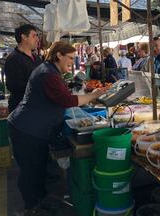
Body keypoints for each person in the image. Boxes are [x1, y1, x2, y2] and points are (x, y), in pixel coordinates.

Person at [8, 42, 105, 216]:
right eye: (70, 58)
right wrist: (94, 95)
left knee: (38, 169)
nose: (72, 62)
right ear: (59, 55)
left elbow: (61, 96)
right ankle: (31, 207)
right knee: (30, 171)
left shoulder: (49, 70)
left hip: (32, 128)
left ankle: (40, 199)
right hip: (28, 130)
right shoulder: (48, 74)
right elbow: (67, 101)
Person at [5, 24, 42, 112]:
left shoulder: (36, 57)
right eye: (34, 36)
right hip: (21, 109)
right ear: (24, 37)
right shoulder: (14, 59)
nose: (37, 39)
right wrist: (40, 86)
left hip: (36, 106)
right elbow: (13, 86)